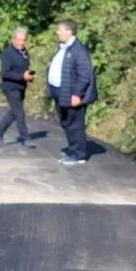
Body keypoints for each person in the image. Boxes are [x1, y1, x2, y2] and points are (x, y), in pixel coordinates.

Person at [46, 19, 98, 165]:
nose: (57, 32)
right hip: (61, 91)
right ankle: (73, 148)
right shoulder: (64, 47)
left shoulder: (78, 50)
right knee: (66, 121)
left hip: (72, 94)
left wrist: (77, 94)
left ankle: (79, 155)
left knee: (75, 122)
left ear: (69, 32)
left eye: (60, 30)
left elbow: (85, 75)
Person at [0, 27, 36, 148]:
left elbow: (23, 67)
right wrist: (22, 76)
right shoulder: (7, 53)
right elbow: (5, 73)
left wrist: (28, 76)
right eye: (19, 40)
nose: (21, 43)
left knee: (14, 112)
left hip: (21, 86)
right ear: (14, 39)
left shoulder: (24, 51)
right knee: (20, 112)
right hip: (10, 87)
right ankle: (25, 137)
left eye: (24, 40)